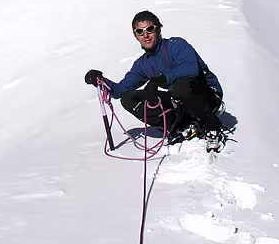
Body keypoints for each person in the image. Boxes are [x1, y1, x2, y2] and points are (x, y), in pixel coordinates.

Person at [85, 11, 225, 149]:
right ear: (136, 36)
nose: (145, 35)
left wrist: (159, 79)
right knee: (128, 98)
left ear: (158, 30)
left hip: (208, 95)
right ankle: (179, 127)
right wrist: (100, 80)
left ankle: (213, 128)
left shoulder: (176, 45)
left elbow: (190, 69)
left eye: (149, 29)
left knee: (181, 86)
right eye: (140, 31)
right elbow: (120, 91)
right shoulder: (143, 64)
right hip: (181, 100)